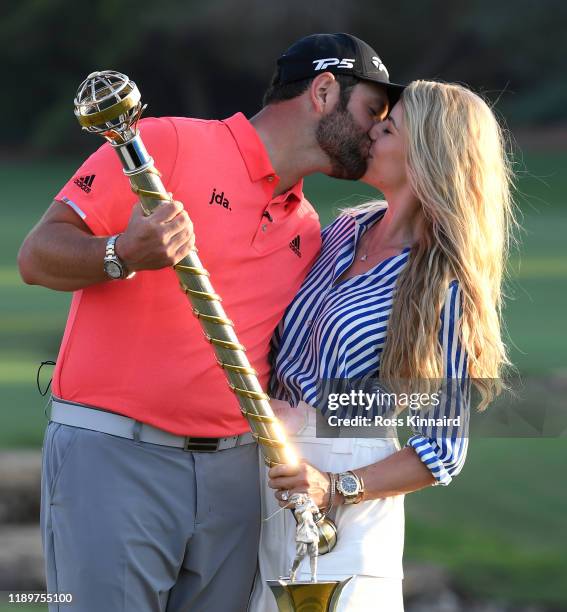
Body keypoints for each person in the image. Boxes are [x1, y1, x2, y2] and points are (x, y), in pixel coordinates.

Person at [17, 33, 405, 612]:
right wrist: (121, 253)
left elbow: (342, 376)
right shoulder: (164, 144)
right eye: (372, 110)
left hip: (235, 477)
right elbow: (36, 256)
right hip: (117, 456)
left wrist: (379, 463)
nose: (377, 128)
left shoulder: (311, 230)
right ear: (323, 91)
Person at [249, 80, 516, 611]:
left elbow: (443, 446)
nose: (370, 130)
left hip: (345, 505)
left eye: (388, 128)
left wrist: (335, 483)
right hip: (268, 484)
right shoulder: (344, 231)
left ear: (428, 154)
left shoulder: (444, 280)